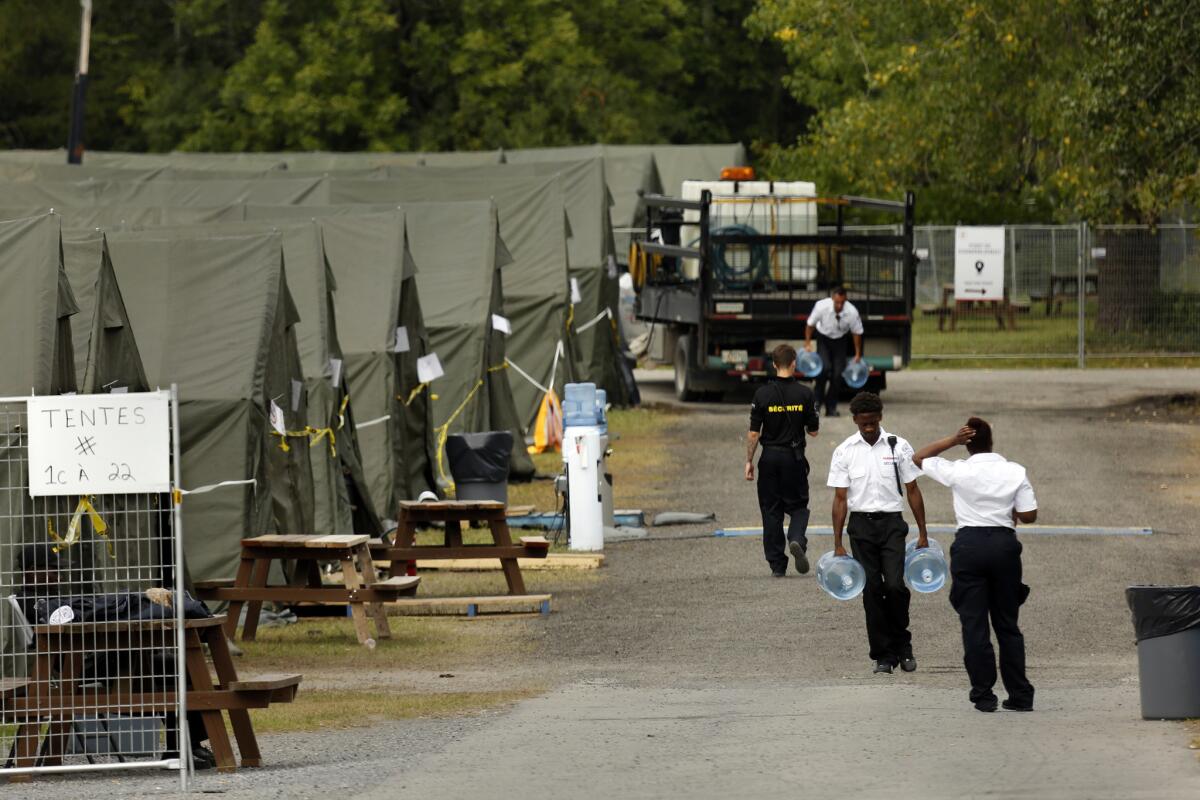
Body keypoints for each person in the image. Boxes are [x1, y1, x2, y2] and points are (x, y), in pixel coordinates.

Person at [913, 417, 1038, 713]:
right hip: (1004, 546)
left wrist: (951, 440)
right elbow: (1030, 514)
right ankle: (1020, 695)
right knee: (1007, 625)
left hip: (969, 545)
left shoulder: (959, 470)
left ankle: (984, 695)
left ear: (967, 445)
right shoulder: (1014, 471)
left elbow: (918, 457)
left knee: (974, 624)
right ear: (992, 442)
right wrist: (1011, 514)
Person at [828, 391, 928, 674]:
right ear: (855, 421)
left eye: (873, 422)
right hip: (860, 528)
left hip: (892, 526)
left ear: (880, 417)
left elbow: (912, 490)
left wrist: (922, 532)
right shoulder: (845, 451)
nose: (869, 428)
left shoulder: (899, 447)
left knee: (895, 586)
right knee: (871, 590)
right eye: (863, 424)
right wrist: (837, 543)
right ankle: (883, 656)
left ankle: (903, 646)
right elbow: (839, 499)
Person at [745, 343, 820, 577]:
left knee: (771, 511)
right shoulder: (805, 393)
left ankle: (777, 565)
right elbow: (813, 431)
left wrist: (749, 461)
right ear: (795, 363)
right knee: (798, 506)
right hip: (793, 457)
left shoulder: (762, 394)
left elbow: (754, 434)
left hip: (769, 458)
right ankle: (796, 538)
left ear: (774, 365)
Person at [804, 287, 864, 417]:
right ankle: (816, 406)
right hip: (824, 338)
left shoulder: (852, 312)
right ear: (832, 299)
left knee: (838, 374)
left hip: (840, 340)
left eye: (842, 302)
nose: (839, 305)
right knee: (823, 369)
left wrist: (858, 353)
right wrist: (807, 343)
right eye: (837, 302)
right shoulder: (821, 306)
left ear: (845, 300)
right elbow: (810, 325)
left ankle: (831, 407)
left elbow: (857, 332)